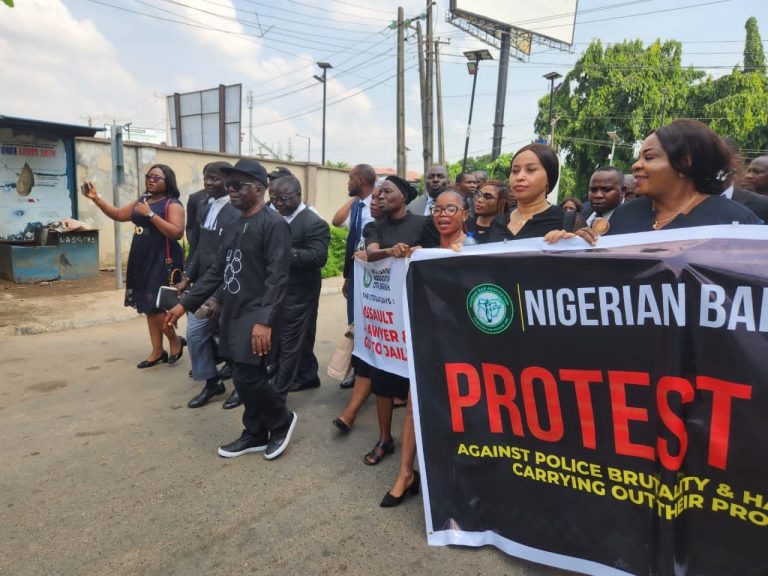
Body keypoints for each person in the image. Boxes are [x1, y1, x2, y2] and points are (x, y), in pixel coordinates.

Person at [165, 159, 297, 460]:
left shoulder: (273, 224)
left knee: (250, 377)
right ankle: (254, 433)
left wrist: (264, 322)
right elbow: (216, 272)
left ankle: (281, 420)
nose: (231, 190)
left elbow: (278, 278)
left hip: (259, 314)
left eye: (238, 185)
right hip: (233, 313)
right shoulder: (234, 224)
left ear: (260, 189)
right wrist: (184, 305)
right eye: (229, 185)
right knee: (239, 375)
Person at [380, 189, 472, 508]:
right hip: (428, 340)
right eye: (437, 209)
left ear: (465, 214)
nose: (443, 214)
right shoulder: (423, 252)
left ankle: (458, 477)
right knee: (413, 405)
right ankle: (406, 473)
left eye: (451, 209)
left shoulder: (476, 250)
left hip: (464, 346)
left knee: (458, 412)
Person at [545, 119, 762, 245]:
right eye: (639, 157)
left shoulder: (734, 220)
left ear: (684, 162)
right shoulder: (626, 214)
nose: (636, 166)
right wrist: (577, 246)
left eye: (649, 158)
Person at [83, 164, 186, 369]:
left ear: (168, 181)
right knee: (148, 307)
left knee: (157, 306)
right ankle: (157, 351)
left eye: (157, 177)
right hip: (141, 257)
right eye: (149, 176)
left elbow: (176, 233)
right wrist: (96, 198)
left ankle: (174, 340)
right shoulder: (143, 200)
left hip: (161, 258)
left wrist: (150, 215)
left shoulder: (172, 204)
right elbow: (120, 214)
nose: (151, 180)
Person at [363, 175, 434, 466]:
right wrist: (390, 252)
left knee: (415, 381)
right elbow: (370, 254)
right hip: (387, 319)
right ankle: (384, 438)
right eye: (377, 193)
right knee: (383, 378)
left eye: (387, 191)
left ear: (403, 196)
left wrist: (417, 251)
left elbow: (435, 256)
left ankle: (419, 444)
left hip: (418, 310)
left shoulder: (423, 225)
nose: (379, 196)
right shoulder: (374, 226)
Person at [175, 161, 240, 409]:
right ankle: (212, 382)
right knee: (195, 334)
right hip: (204, 284)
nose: (208, 183)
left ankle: (242, 386)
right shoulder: (204, 205)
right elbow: (199, 247)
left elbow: (235, 257)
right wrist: (187, 277)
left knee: (231, 337)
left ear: (228, 180)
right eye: (206, 178)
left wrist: (221, 295)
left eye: (214, 178)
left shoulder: (236, 211)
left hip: (229, 284)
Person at [269, 175, 330, 395]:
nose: (278, 203)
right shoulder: (274, 216)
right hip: (277, 288)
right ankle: (307, 374)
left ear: (298, 195)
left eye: (283, 199)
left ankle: (279, 390)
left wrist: (284, 254)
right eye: (273, 198)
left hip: (301, 289)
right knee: (296, 335)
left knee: (291, 337)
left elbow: (317, 257)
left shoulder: (313, 222)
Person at [332, 179, 385, 433]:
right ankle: (351, 410)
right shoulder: (369, 228)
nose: (375, 202)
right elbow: (353, 245)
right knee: (359, 334)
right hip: (363, 292)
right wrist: (348, 277)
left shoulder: (407, 229)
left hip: (389, 303)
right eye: (373, 199)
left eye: (381, 197)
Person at [333, 164, 377, 388]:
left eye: (350, 179)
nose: (347, 182)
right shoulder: (357, 206)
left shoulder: (378, 204)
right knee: (354, 323)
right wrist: (347, 278)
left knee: (371, 324)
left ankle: (371, 370)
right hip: (355, 273)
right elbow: (336, 222)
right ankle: (358, 370)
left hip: (374, 277)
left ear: (360, 180)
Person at [488, 144, 581, 242]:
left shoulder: (569, 221)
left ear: (548, 178)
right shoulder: (498, 222)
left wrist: (575, 242)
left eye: (530, 170)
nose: (519, 177)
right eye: (515, 171)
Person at [721, 139, 768, 221]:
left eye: (757, 172)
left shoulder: (763, 205)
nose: (748, 176)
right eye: (749, 171)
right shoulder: (694, 201)